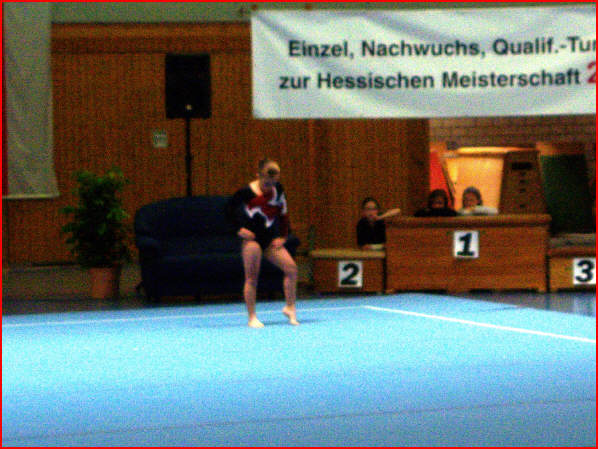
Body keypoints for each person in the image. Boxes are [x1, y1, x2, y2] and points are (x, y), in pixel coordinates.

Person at [227, 159, 299, 328]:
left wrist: (283, 236)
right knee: (252, 277)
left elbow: (283, 214)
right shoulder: (246, 192)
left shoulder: (278, 189)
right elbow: (227, 212)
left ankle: (290, 307)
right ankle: (252, 317)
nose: (270, 186)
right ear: (258, 175)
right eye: (267, 183)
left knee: (291, 269)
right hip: (251, 241)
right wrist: (239, 229)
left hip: (269, 240)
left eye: (274, 182)